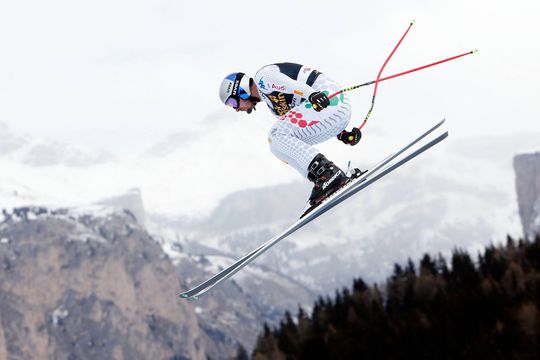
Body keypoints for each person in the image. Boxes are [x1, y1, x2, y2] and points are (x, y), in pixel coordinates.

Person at [218, 62, 362, 209]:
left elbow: (290, 85)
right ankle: (323, 180)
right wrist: (341, 134)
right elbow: (308, 118)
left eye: (232, 102)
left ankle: (328, 174)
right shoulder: (274, 108)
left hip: (328, 95)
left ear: (240, 89)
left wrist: (311, 94)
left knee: (276, 135)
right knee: (280, 145)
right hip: (333, 111)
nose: (236, 109)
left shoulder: (263, 77)